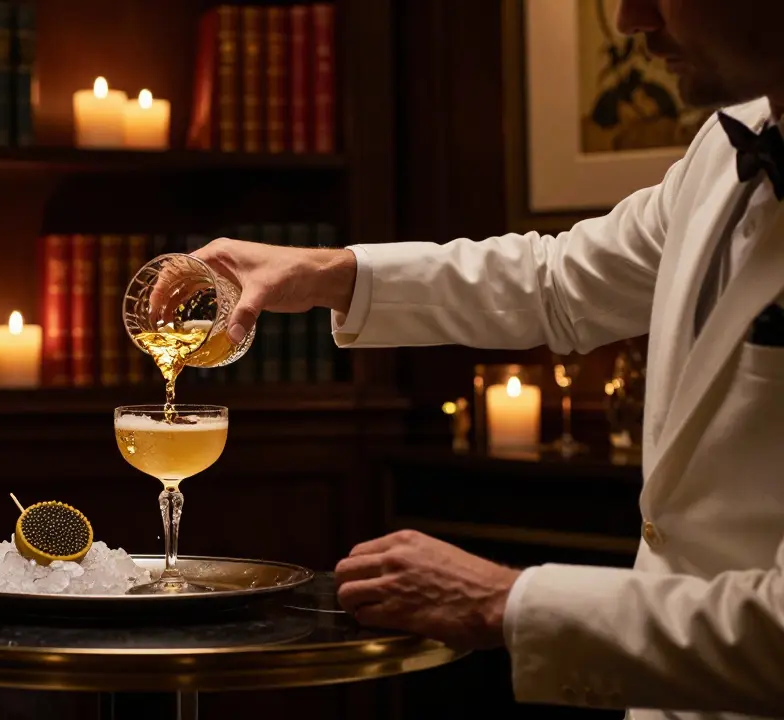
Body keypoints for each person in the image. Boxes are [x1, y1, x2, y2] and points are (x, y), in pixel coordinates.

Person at [191, 0, 782, 718]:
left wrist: (505, 600)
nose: (629, 20)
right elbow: (558, 283)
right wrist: (326, 273)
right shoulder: (729, 147)